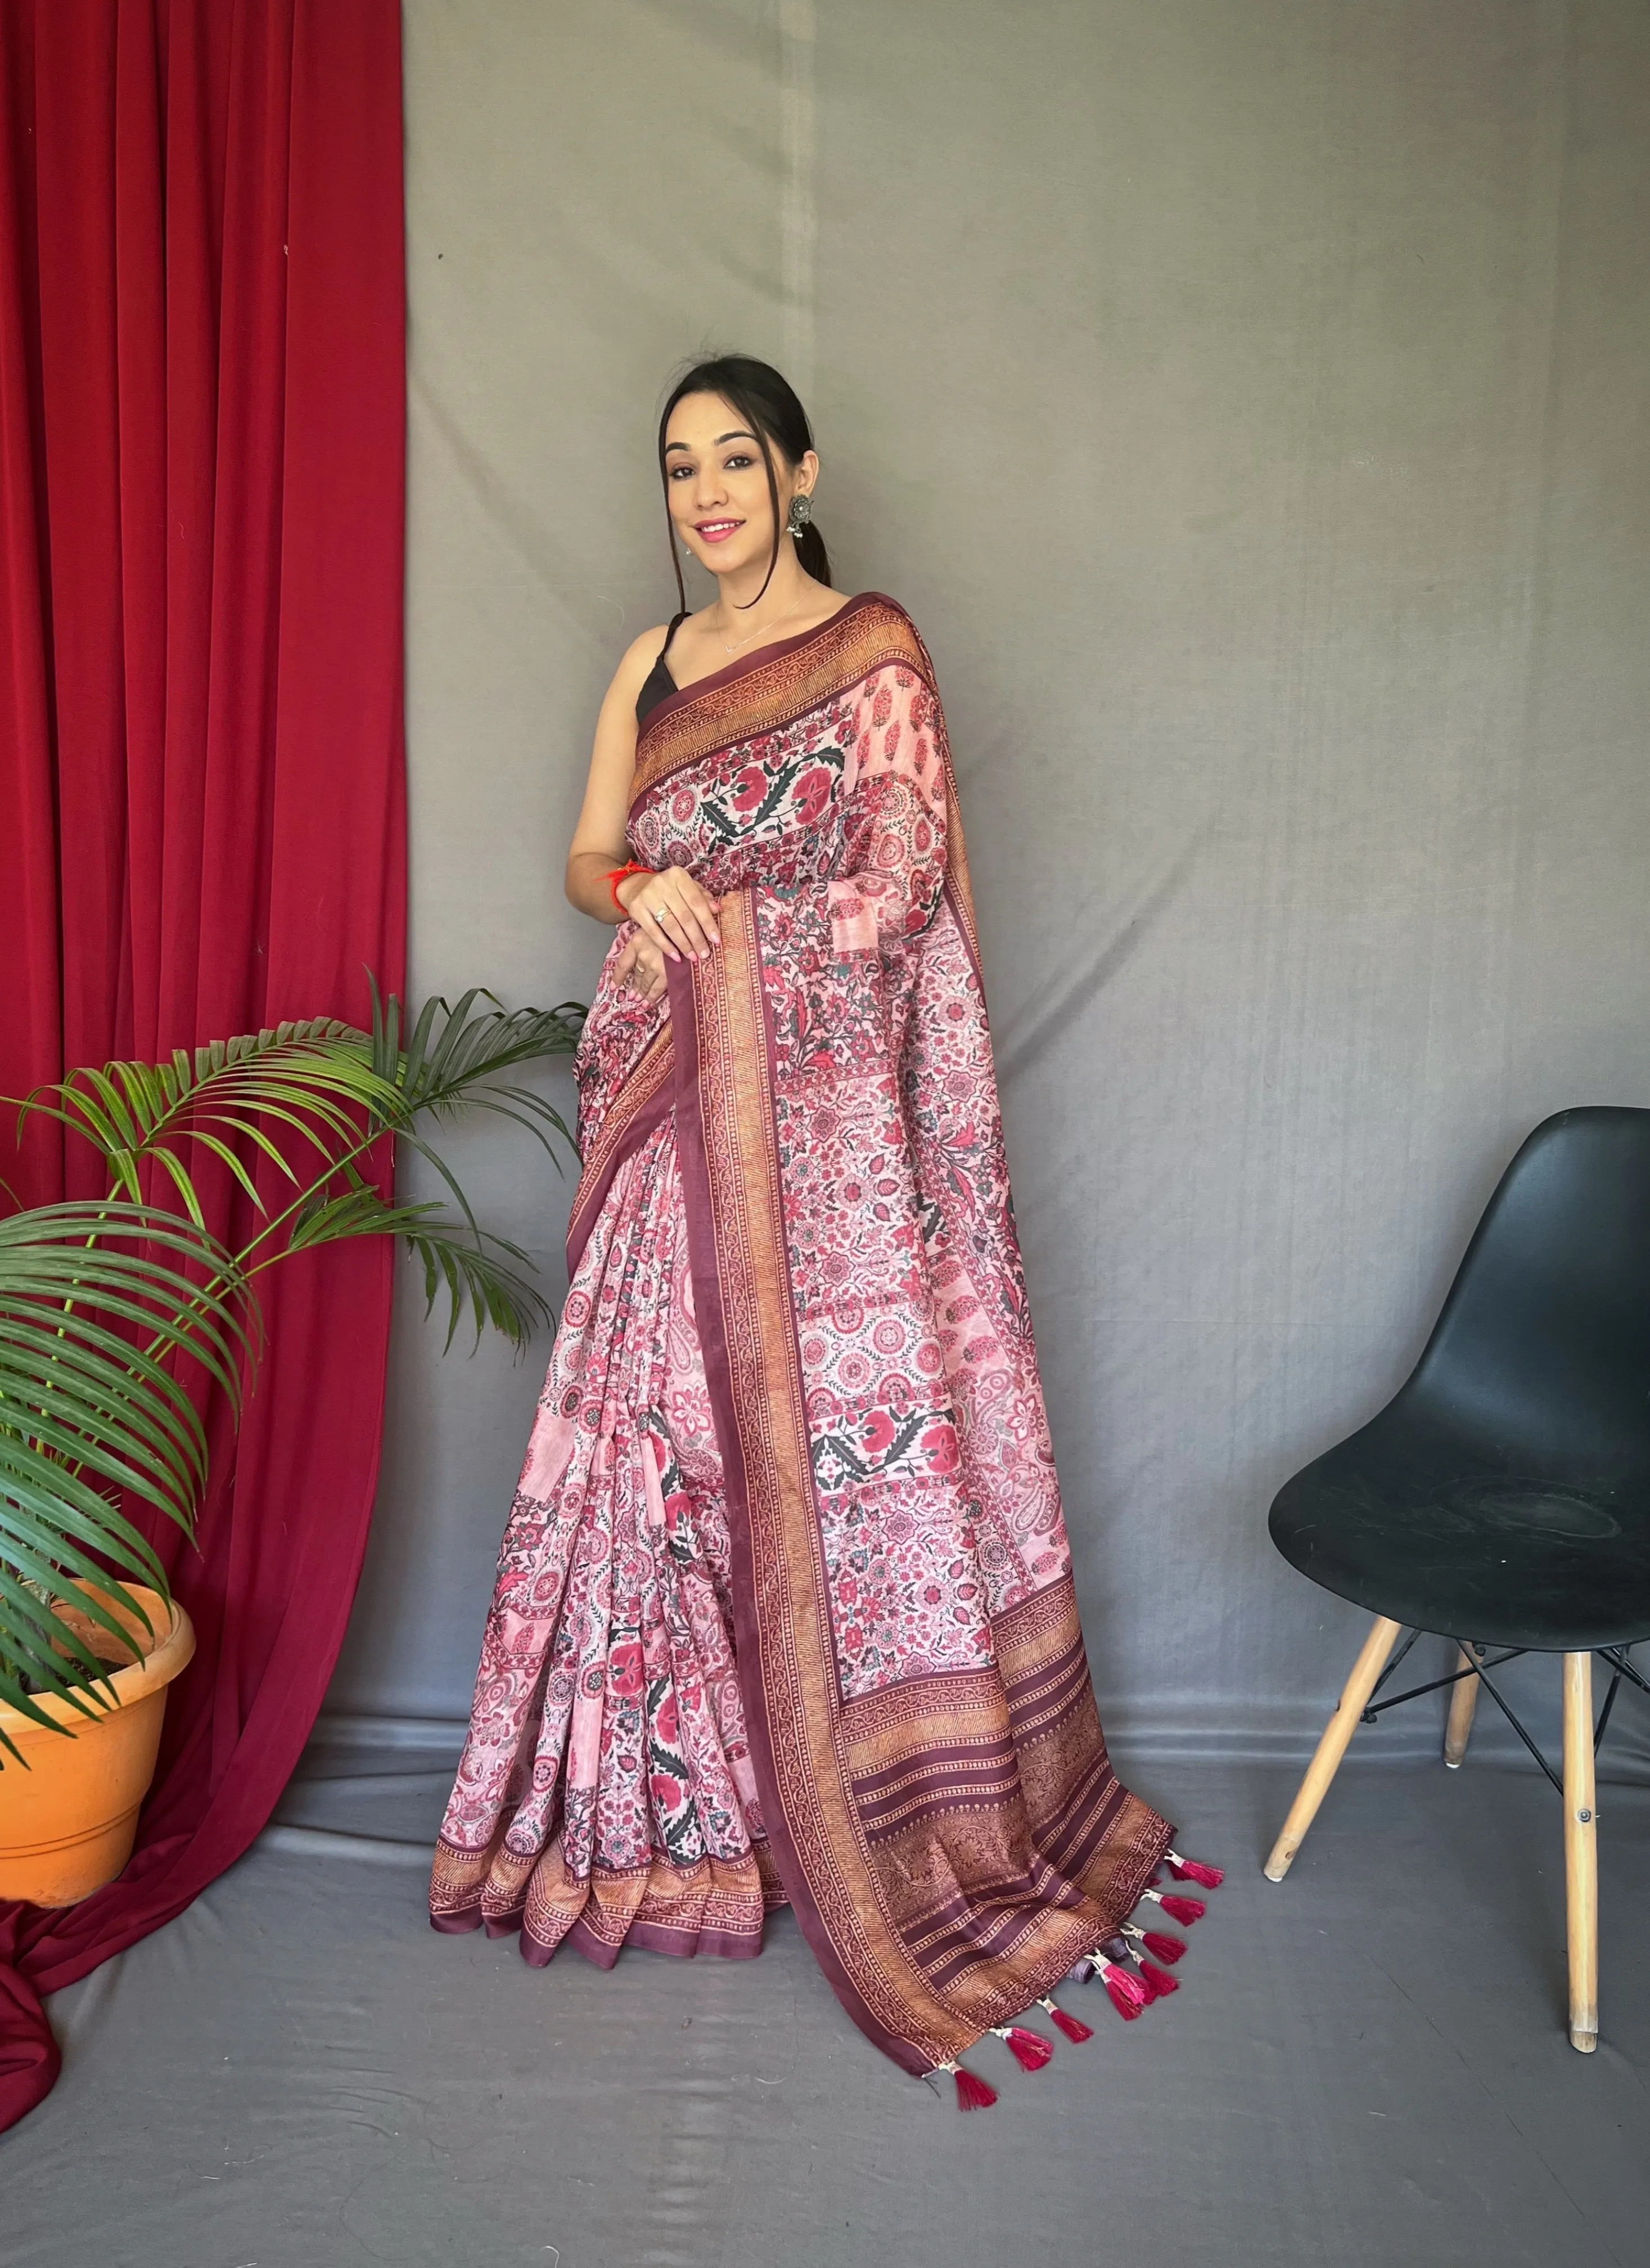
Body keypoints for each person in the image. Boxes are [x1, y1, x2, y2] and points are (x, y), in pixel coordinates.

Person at [429, 355, 1216, 2104]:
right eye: (676, 468)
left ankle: (850, 1804)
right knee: (653, 1448)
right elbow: (584, 858)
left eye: (733, 460)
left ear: (798, 473)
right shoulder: (648, 663)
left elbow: (899, 880)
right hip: (660, 1105)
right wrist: (648, 889)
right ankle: (677, 1810)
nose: (704, 494)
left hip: (815, 1127)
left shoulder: (870, 649)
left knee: (802, 1461)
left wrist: (743, 931)